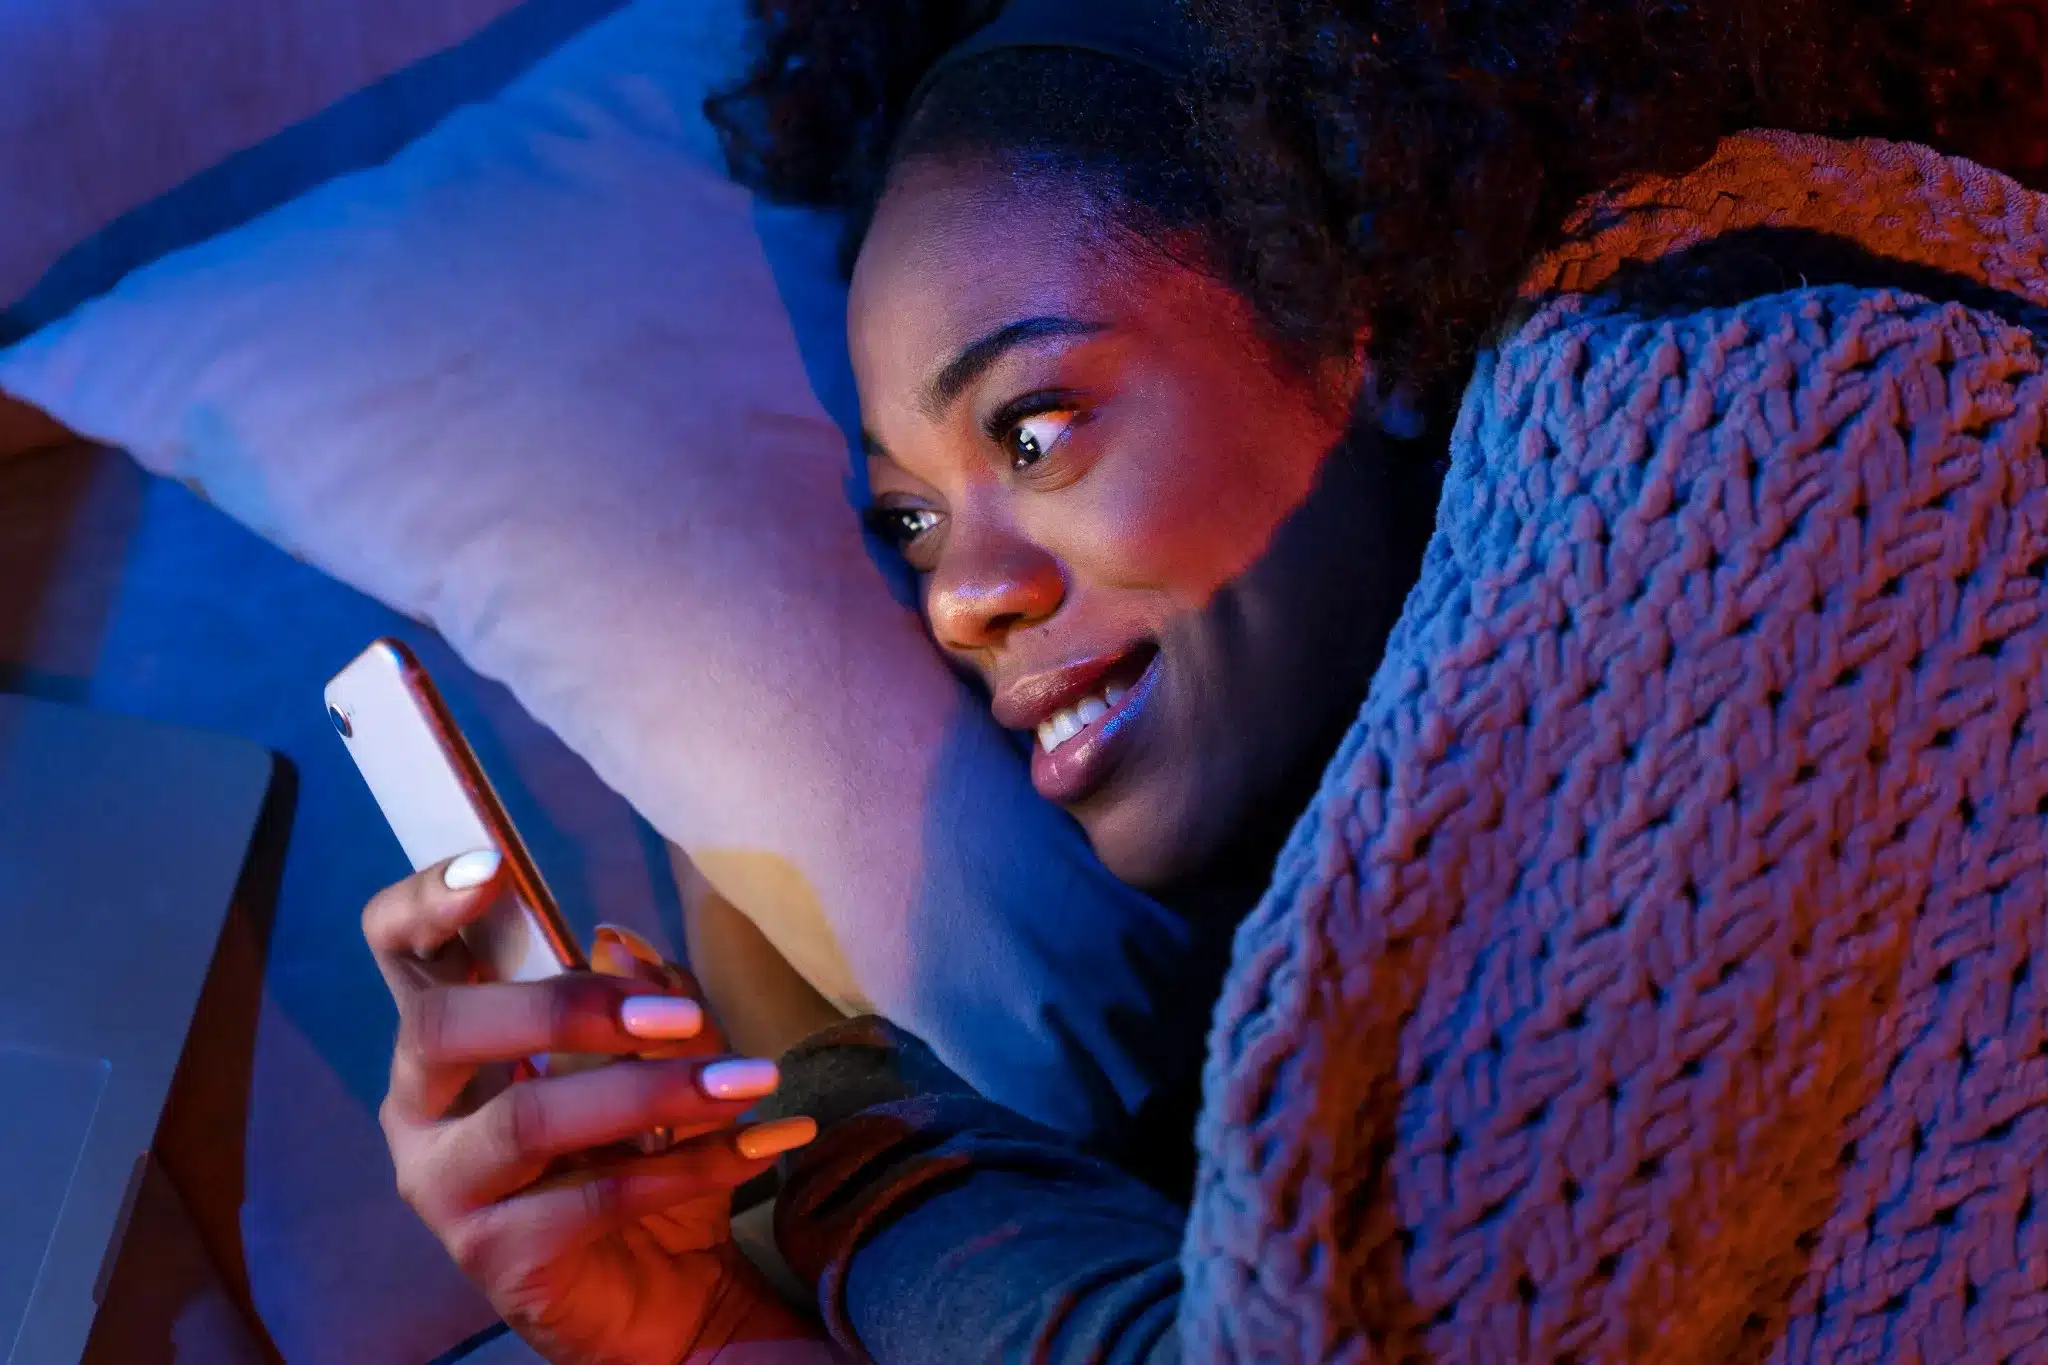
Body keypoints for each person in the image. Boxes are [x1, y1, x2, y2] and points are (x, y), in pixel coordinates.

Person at [361, 0, 2048, 1359]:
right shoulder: (1322, 989)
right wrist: (686, 1319)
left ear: (1357, 313)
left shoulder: (1761, 395)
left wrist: (849, 1151)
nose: (960, 599)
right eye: (909, 520)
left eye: (1035, 426)